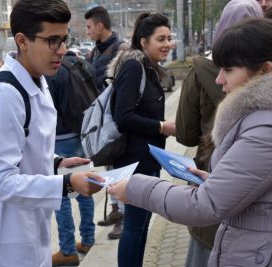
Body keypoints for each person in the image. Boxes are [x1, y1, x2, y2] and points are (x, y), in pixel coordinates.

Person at [109, 17, 272, 266]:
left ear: (265, 70)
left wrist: (134, 187)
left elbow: (205, 205)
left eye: (229, 70)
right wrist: (214, 181)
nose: (219, 79)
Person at [0, 1, 103, 266]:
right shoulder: (3, 96)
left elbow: (21, 147)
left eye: (64, 39)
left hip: (30, 231)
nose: (62, 50)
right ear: (22, 41)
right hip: (4, 244)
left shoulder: (37, 81)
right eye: (52, 40)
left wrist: (56, 162)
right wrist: (66, 183)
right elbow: (0, 181)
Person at [176, 1, 263, 266]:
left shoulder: (201, 71)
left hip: (211, 192)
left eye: (229, 71)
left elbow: (185, 134)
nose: (221, 81)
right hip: (258, 210)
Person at [107, 12, 175, 267]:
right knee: (134, 227)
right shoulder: (134, 67)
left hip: (147, 159)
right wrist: (161, 127)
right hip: (134, 162)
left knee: (142, 225)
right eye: (161, 39)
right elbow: (122, 116)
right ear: (144, 41)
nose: (167, 43)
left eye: (169, 37)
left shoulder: (149, 67)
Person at [46, 48, 97, 266]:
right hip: (81, 135)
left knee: (63, 194)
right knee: (84, 188)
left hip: (60, 140)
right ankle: (88, 239)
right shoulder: (85, 65)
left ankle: (67, 249)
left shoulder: (54, 72)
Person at [84, 5, 127, 239]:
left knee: (120, 169)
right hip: (103, 118)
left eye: (90, 27)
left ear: (100, 26)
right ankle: (114, 210)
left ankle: (123, 218)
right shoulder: (95, 52)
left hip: (116, 120)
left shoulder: (121, 50)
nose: (88, 31)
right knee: (110, 167)